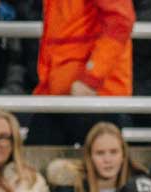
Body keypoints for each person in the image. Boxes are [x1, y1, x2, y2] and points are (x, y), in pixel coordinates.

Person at [31, 0, 133, 147]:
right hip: (63, 94)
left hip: (94, 95)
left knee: (98, 163)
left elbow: (120, 23)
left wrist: (91, 78)